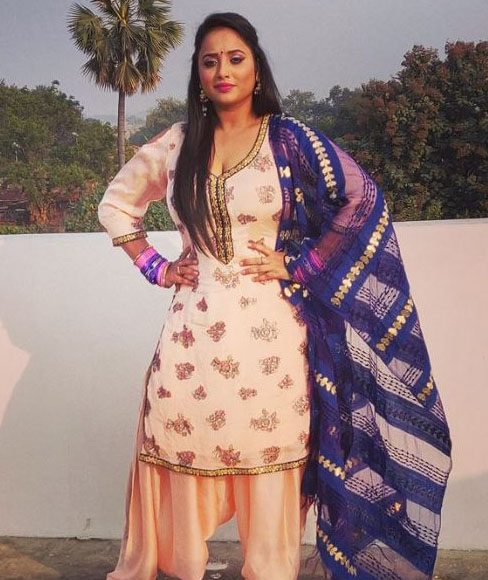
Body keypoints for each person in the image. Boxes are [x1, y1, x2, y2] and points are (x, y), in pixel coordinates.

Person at [98, 12, 452, 580]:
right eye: (209, 61)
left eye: (235, 58)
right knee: (181, 457)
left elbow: (362, 199)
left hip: (273, 343)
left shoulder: (290, 140)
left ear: (256, 69)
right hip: (192, 340)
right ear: (198, 74)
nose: (223, 70)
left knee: (272, 473)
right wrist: (155, 266)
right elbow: (116, 205)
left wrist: (302, 264)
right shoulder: (178, 143)